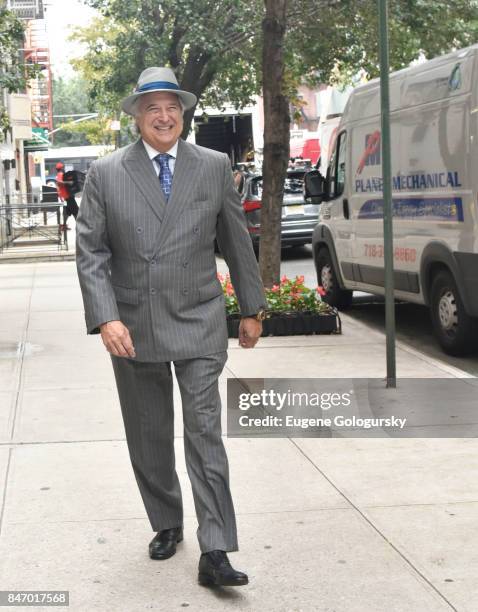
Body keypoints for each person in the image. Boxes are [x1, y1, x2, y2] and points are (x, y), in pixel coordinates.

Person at [75, 67, 267, 587]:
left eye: (173, 108)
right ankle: (165, 521)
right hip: (133, 326)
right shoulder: (107, 173)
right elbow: (91, 251)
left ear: (183, 114)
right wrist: (106, 316)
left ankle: (217, 548)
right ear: (137, 116)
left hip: (199, 319)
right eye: (152, 108)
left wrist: (250, 308)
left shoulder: (212, 166)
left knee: (205, 431)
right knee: (149, 433)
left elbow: (235, 240)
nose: (164, 116)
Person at [55, 162, 79, 227]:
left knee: (68, 212)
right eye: (63, 167)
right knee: (76, 211)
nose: (64, 168)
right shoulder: (60, 174)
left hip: (66, 196)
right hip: (68, 196)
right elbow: (59, 183)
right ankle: (80, 226)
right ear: (61, 168)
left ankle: (64, 225)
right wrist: (69, 182)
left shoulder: (59, 174)